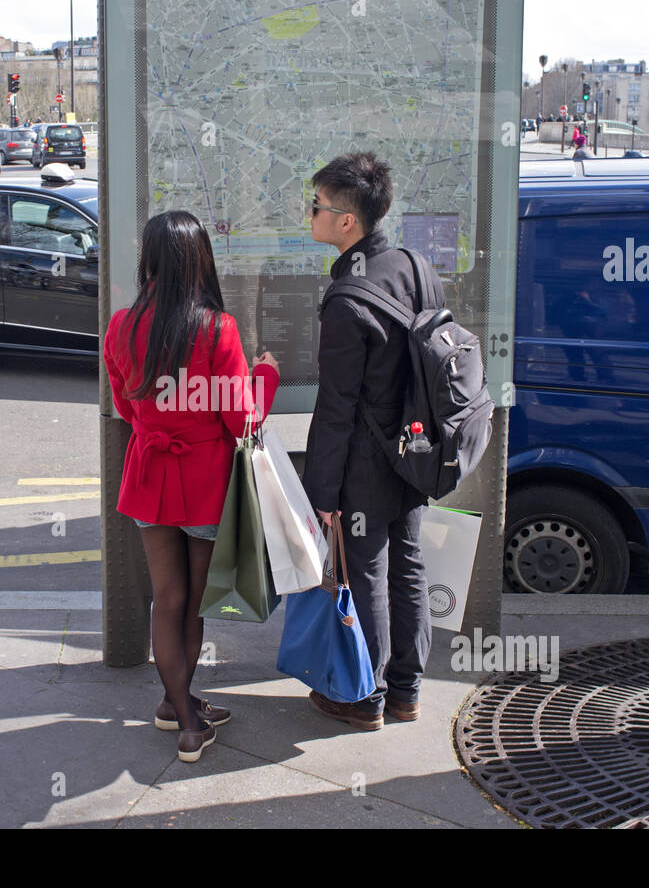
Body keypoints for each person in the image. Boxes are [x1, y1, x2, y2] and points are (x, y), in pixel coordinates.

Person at [103, 210, 279, 762]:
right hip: (205, 481)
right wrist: (266, 375)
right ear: (199, 260)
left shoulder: (121, 326)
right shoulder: (217, 329)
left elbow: (125, 407)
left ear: (149, 260)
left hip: (150, 475)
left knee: (166, 599)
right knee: (195, 604)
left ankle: (173, 704)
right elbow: (242, 422)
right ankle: (187, 724)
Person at [302, 151, 432, 732]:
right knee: (406, 562)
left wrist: (321, 492)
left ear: (346, 221)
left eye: (317, 206)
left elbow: (336, 409)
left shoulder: (344, 304)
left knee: (368, 571)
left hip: (364, 462)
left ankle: (366, 698)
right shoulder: (412, 265)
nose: (311, 214)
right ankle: (406, 692)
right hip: (415, 450)